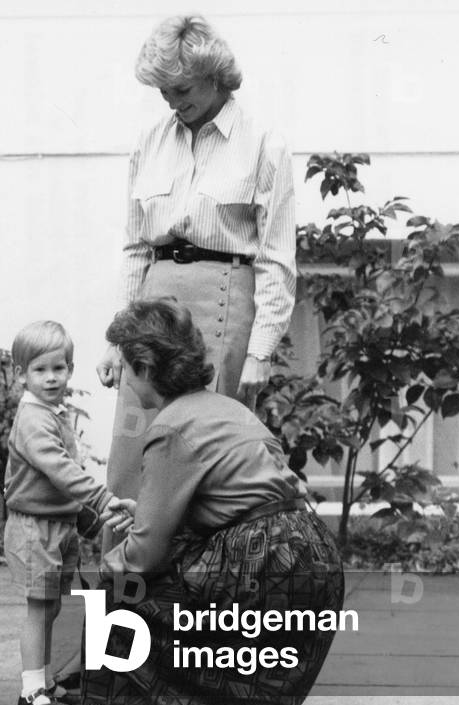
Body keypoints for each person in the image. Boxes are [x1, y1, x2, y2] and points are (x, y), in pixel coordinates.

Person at [80, 298, 345, 705]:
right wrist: (148, 514)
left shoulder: (168, 428)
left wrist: (103, 582)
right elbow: (249, 492)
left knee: (119, 593)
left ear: (145, 368)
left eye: (126, 368)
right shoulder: (230, 408)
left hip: (264, 564)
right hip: (315, 557)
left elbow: (144, 554)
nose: (124, 379)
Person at [96, 13, 297, 515]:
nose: (171, 100)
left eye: (180, 88)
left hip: (223, 304)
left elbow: (276, 257)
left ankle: (200, 588)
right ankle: (125, 586)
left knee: (203, 454)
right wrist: (114, 338)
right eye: (162, 90)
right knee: (132, 450)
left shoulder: (263, 142)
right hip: (152, 306)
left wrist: (260, 352)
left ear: (214, 75)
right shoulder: (150, 142)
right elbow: (136, 248)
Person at [2, 321, 132, 705]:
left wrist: (89, 519)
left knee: (52, 607)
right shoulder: (33, 419)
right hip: (33, 529)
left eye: (59, 368)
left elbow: (65, 473)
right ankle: (30, 692)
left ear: (71, 369)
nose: (52, 377)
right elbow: (59, 469)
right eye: (39, 370)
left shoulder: (52, 413)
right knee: (38, 610)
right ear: (20, 374)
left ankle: (43, 682)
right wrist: (101, 499)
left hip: (58, 526)